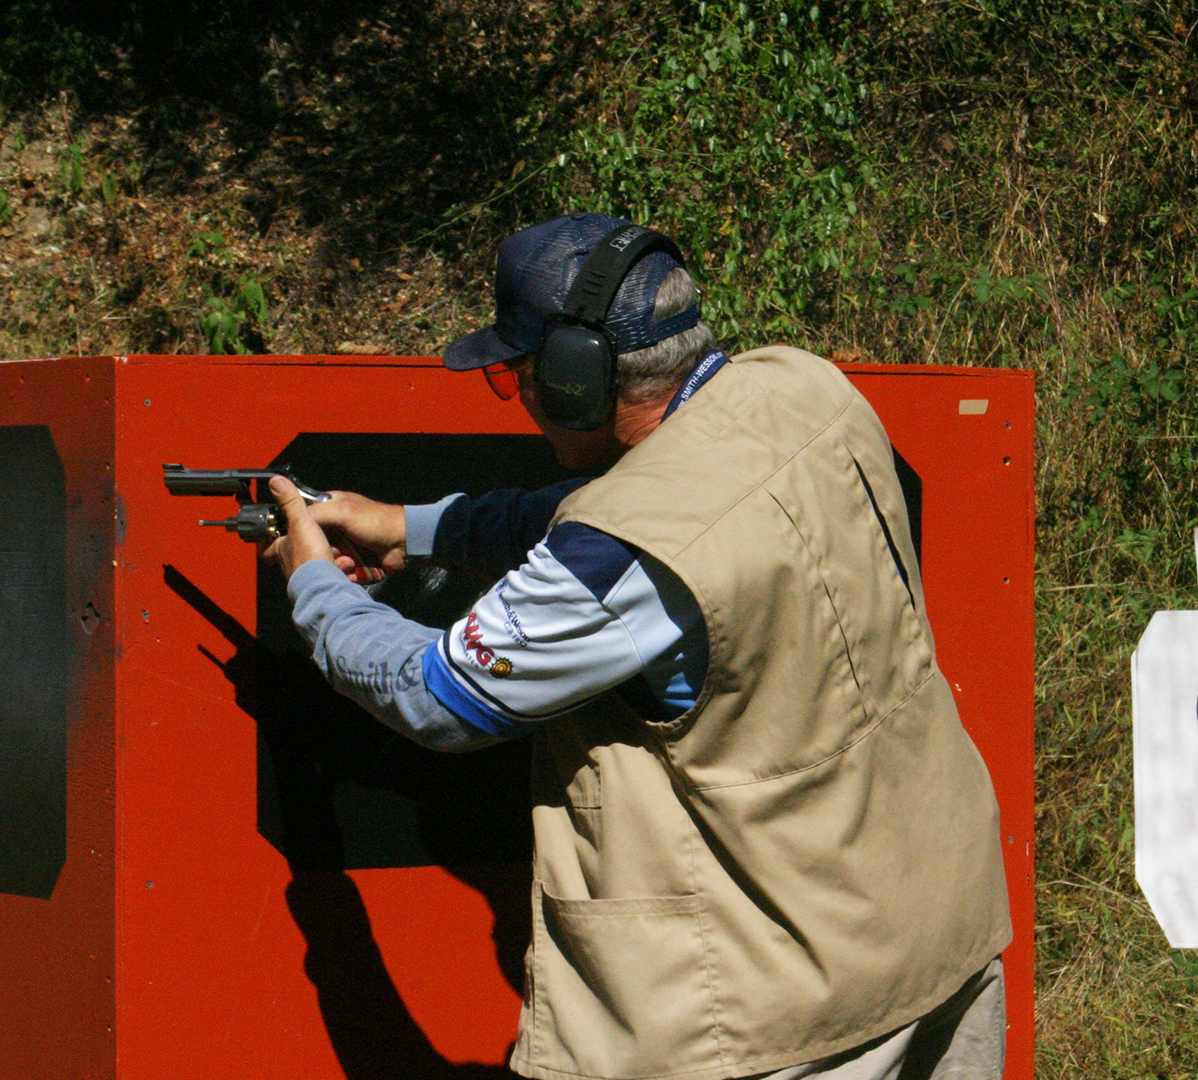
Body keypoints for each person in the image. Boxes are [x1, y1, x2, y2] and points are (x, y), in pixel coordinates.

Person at [260, 211, 1013, 1080]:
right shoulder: (805, 391)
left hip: (775, 1021)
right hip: (934, 936)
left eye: (516, 377)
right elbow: (637, 502)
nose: (523, 400)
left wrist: (312, 586)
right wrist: (416, 529)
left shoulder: (621, 556)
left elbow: (439, 695)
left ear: (577, 377)